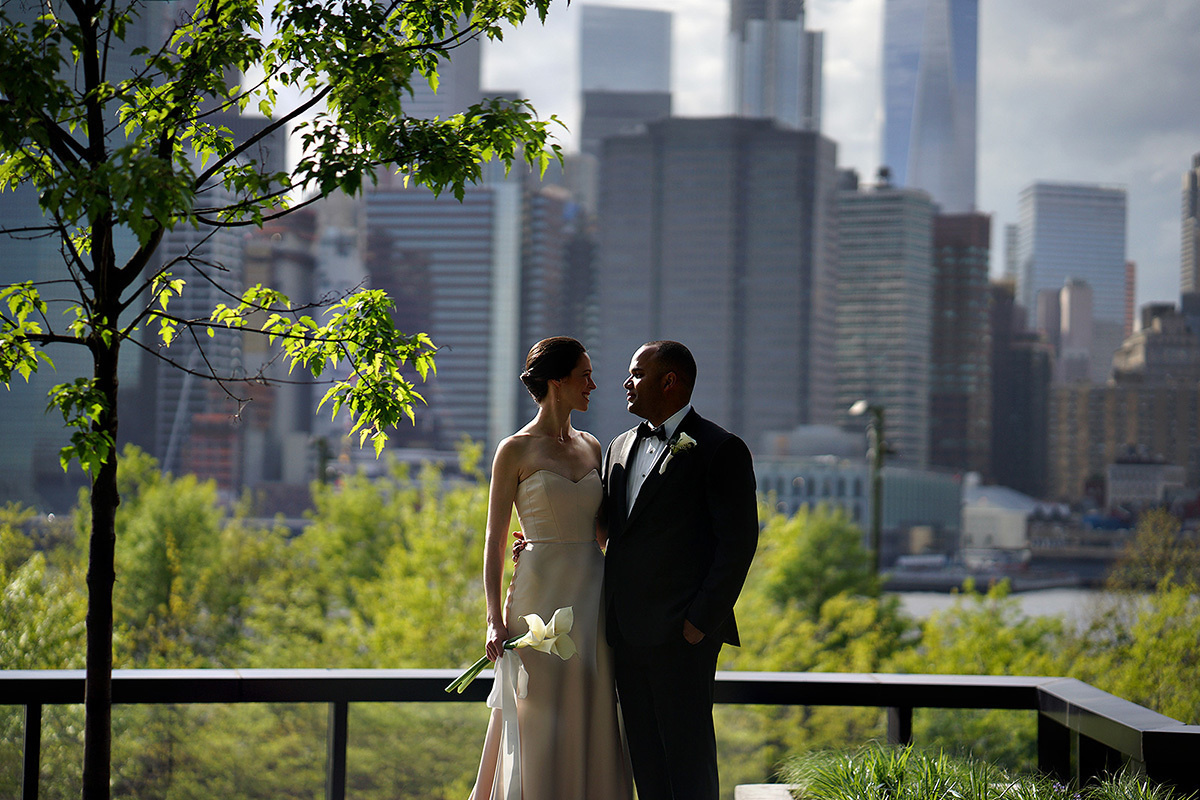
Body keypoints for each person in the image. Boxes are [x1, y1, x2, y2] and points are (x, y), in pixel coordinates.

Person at [468, 336, 632, 800]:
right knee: (536, 712)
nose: (593, 385)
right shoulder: (514, 449)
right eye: (585, 376)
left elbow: (605, 534)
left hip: (592, 595)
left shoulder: (593, 446)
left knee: (591, 704)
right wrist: (494, 620)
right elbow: (494, 540)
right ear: (557, 382)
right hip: (537, 600)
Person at [602, 340, 759, 800]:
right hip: (624, 635)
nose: (626, 383)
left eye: (637, 374)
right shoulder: (617, 447)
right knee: (646, 762)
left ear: (669, 381)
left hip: (682, 636)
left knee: (689, 764)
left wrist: (698, 623)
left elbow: (738, 544)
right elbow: (610, 531)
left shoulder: (720, 448)